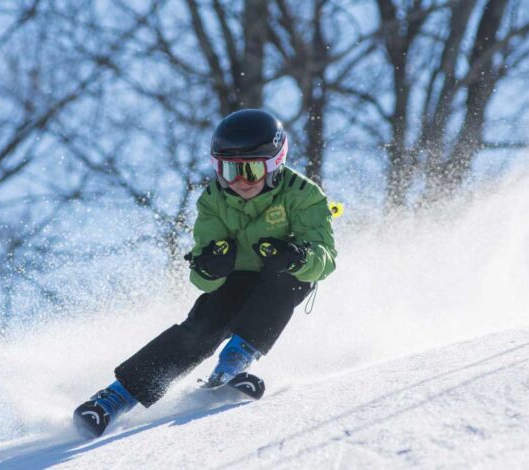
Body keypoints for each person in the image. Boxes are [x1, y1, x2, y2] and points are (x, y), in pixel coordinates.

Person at [73, 109, 337, 438]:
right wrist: (210, 266)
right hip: (236, 278)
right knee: (203, 326)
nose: (239, 181)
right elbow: (202, 277)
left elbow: (325, 258)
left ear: (274, 165)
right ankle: (114, 399)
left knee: (287, 280)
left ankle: (234, 362)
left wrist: (297, 256)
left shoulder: (303, 194)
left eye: (251, 170)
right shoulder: (213, 199)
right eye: (227, 170)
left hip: (282, 274)